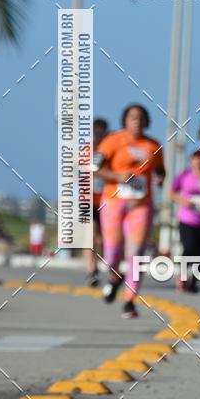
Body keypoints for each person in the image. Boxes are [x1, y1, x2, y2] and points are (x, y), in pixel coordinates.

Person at [94, 104, 165, 318]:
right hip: (113, 202)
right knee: (112, 252)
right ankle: (115, 278)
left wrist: (160, 178)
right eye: (133, 117)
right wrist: (117, 177)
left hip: (141, 205)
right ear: (124, 120)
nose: (137, 120)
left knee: (136, 253)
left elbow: (161, 170)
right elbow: (95, 168)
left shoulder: (154, 145)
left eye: (141, 117)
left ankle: (129, 300)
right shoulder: (112, 141)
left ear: (147, 121)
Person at [171, 148, 200, 293]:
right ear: (191, 161)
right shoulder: (184, 176)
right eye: (195, 159)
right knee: (189, 248)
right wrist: (183, 201)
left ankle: (193, 282)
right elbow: (172, 193)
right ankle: (183, 276)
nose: (198, 162)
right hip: (187, 220)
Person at [85, 118, 109, 286]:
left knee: (101, 239)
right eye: (96, 131)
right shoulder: (86, 150)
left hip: (106, 200)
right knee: (90, 236)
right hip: (87, 199)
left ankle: (98, 266)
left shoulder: (109, 150)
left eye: (102, 131)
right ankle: (91, 269)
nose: (99, 133)